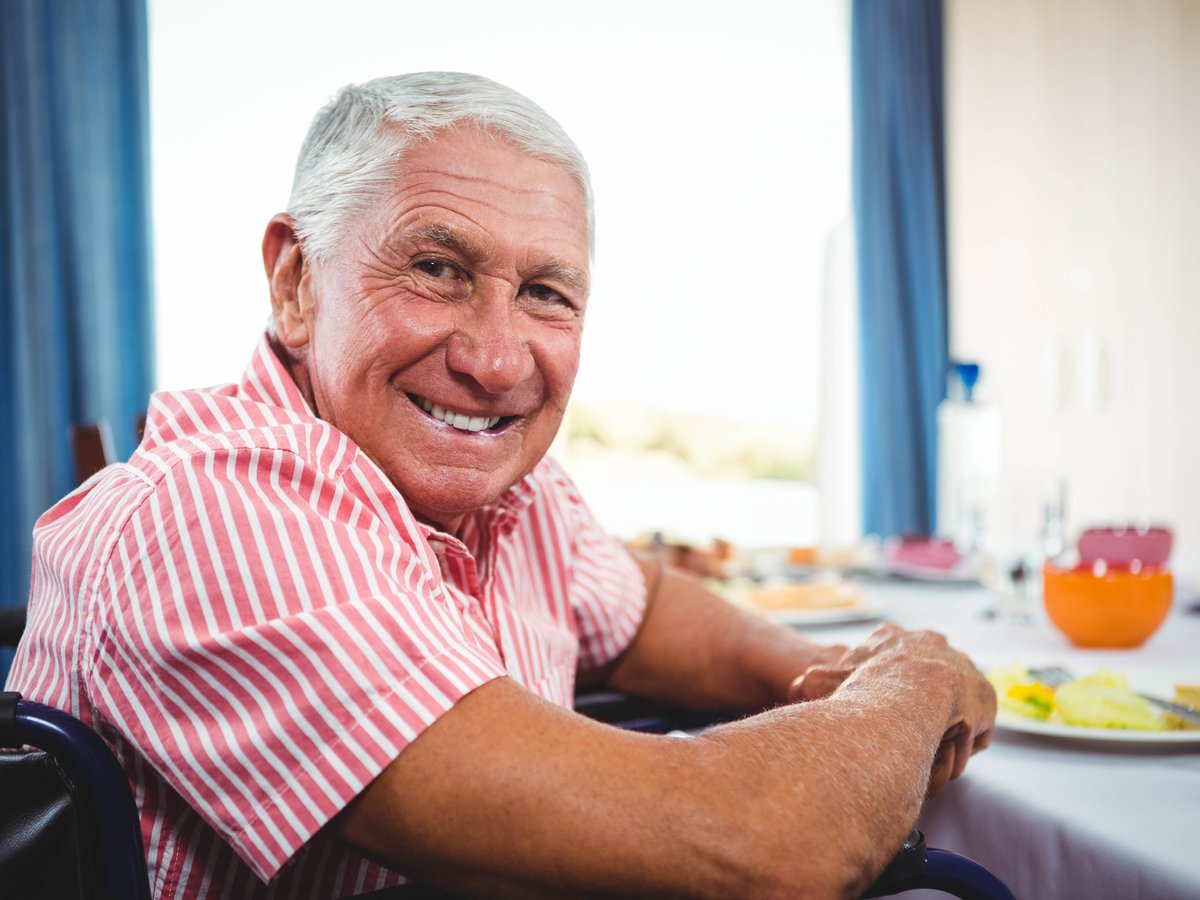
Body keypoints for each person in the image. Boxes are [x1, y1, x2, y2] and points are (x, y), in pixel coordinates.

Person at [5, 72, 995, 898]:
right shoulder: (220, 516)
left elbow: (645, 616)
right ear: (297, 282)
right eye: (437, 267)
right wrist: (915, 681)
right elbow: (761, 845)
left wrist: (828, 674)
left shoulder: (516, 492)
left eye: (544, 294)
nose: (493, 358)